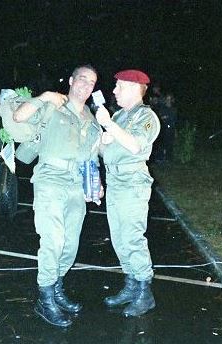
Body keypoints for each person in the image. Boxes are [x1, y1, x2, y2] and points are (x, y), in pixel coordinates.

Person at [13, 65, 102, 327]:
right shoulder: (54, 104)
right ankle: (45, 298)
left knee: (70, 244)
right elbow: (19, 117)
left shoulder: (90, 117)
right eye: (82, 79)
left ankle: (57, 286)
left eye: (92, 82)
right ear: (72, 81)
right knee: (53, 239)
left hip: (76, 183)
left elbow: (91, 156)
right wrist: (43, 97)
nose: (86, 85)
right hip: (50, 179)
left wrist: (95, 185)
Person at [95, 69, 160, 317]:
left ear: (134, 88)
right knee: (119, 238)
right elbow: (108, 151)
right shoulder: (121, 115)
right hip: (115, 179)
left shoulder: (147, 116)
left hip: (132, 182)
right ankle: (131, 285)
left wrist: (109, 124)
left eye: (119, 87)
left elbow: (134, 145)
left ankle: (145, 292)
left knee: (132, 237)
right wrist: (102, 140)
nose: (114, 91)